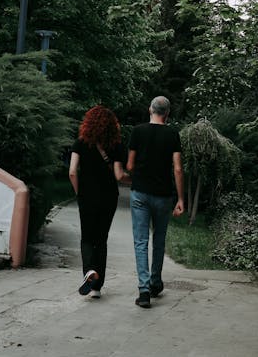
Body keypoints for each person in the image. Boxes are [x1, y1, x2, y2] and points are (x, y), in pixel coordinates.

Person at [127, 95, 184, 308]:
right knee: (159, 239)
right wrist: (180, 198)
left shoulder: (138, 131)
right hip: (163, 195)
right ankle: (155, 282)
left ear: (150, 110)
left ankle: (143, 292)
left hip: (140, 193)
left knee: (141, 242)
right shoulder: (172, 134)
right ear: (167, 114)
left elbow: (130, 166)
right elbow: (177, 168)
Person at [69, 105, 127, 299]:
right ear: (112, 125)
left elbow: (71, 171)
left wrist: (79, 192)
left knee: (87, 237)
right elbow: (119, 175)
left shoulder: (80, 142)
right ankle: (97, 288)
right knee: (101, 240)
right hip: (109, 197)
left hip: (87, 196)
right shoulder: (117, 145)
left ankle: (89, 272)